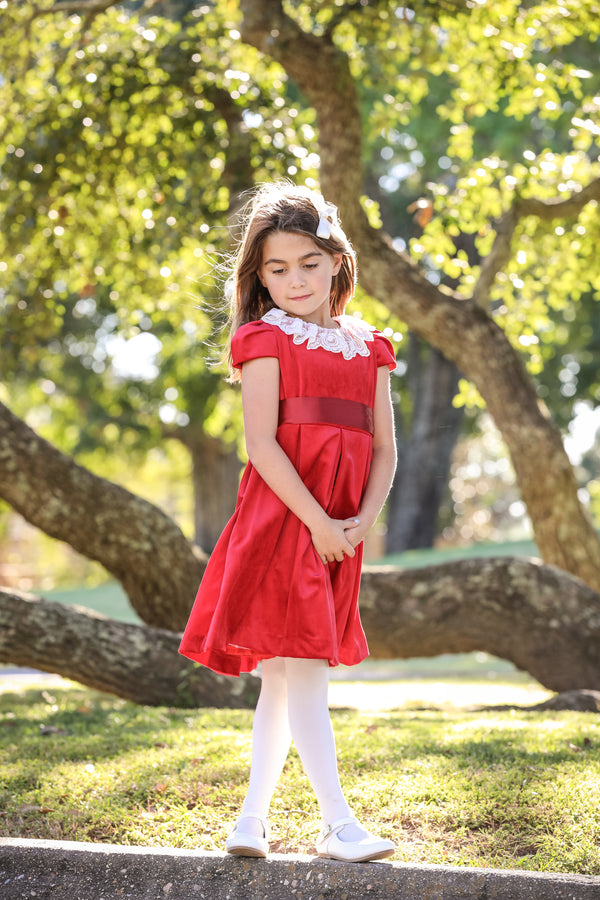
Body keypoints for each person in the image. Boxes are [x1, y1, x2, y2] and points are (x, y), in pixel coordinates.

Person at [179, 182, 397, 863]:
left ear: (336, 261)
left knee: (282, 676)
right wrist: (320, 524)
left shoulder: (371, 349)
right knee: (302, 670)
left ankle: (250, 821)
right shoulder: (264, 339)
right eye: (277, 269)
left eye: (307, 263)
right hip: (282, 524)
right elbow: (263, 445)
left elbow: (385, 448)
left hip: (340, 533)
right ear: (259, 275)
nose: (294, 279)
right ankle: (338, 824)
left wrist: (360, 520)